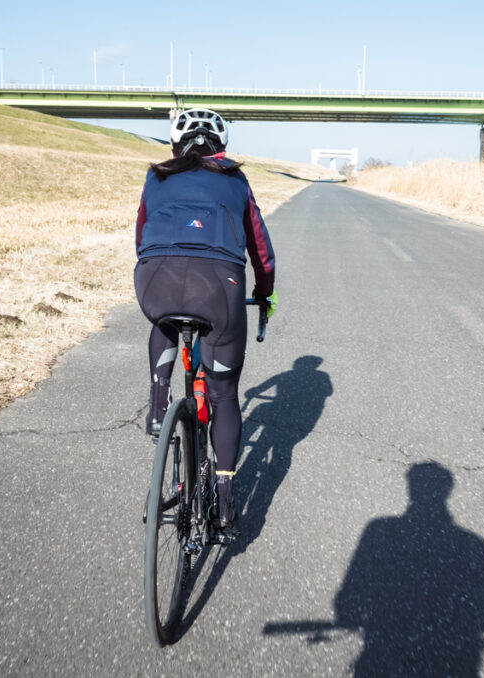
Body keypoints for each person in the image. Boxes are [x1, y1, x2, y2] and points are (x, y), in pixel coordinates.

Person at [134, 108, 276, 537]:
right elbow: (261, 249)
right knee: (224, 394)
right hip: (220, 286)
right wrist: (264, 292)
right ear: (222, 146)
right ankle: (226, 501)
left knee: (162, 319)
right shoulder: (235, 180)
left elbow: (141, 236)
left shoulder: (156, 176)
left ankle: (160, 408)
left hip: (155, 275)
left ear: (175, 145)